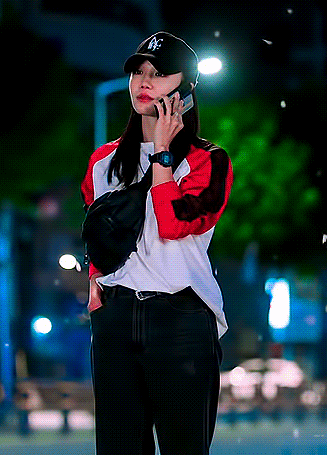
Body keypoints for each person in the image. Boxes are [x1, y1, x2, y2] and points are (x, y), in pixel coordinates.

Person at [80, 31, 232, 455]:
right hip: (116, 318)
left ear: (185, 89)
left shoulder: (208, 161)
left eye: (159, 74)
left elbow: (174, 224)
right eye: (138, 72)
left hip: (181, 317)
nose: (144, 82)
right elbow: (97, 229)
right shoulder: (103, 160)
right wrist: (94, 283)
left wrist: (162, 155)